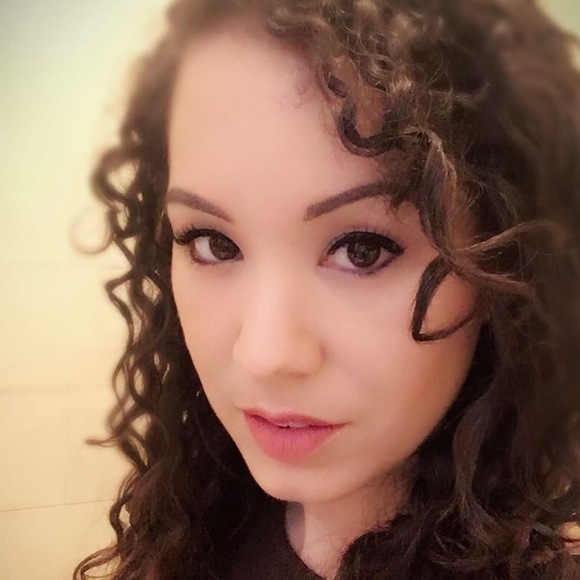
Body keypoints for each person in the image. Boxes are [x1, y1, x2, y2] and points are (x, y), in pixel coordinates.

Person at [74, 0, 580, 578]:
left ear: (502, 258)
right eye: (213, 243)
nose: (264, 354)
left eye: (360, 250)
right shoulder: (189, 520)